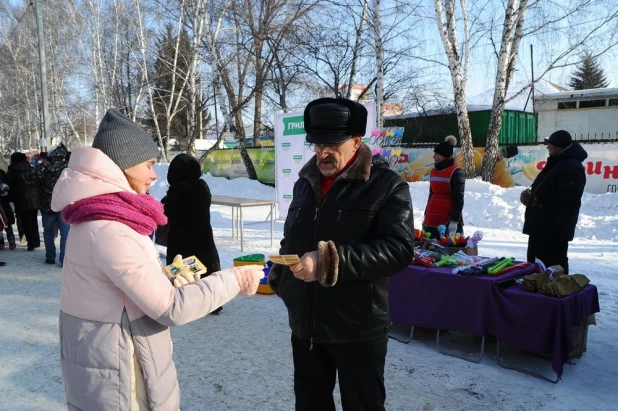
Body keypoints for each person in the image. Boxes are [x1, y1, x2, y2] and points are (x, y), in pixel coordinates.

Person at [52, 108, 264, 410]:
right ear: (123, 164)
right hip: (123, 376)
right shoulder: (111, 228)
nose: (154, 174)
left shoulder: (99, 215)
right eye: (149, 165)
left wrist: (161, 278)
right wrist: (235, 279)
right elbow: (170, 308)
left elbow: (118, 290)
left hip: (108, 363)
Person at [267, 97, 415, 411]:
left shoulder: (387, 185)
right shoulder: (304, 183)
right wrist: (281, 273)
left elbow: (399, 250)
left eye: (332, 145)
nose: (322, 153)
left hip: (357, 327)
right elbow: (292, 238)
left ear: (357, 142)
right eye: (318, 144)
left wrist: (328, 262)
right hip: (307, 326)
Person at [163, 154, 223, 312]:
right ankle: (213, 301)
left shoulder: (178, 189)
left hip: (181, 236)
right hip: (203, 235)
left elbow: (169, 211)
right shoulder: (202, 186)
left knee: (181, 268)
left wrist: (165, 201)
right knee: (205, 266)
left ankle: (181, 300)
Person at [522, 130, 587, 274]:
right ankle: (538, 292)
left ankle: (557, 294)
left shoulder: (571, 166)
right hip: (542, 226)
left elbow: (569, 204)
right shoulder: (558, 162)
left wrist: (558, 231)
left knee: (554, 266)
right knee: (538, 266)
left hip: (552, 230)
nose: (548, 148)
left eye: (550, 145)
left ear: (559, 147)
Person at [422, 135, 465, 239]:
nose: (434, 157)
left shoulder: (456, 172)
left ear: (444, 156)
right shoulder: (433, 172)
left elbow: (458, 199)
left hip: (448, 220)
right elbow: (431, 194)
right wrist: (426, 214)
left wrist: (454, 222)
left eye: (437, 154)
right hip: (431, 218)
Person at [35, 144, 70, 265]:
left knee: (48, 231)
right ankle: (63, 258)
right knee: (65, 232)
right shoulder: (68, 167)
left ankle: (50, 256)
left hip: (47, 204)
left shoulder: (42, 166)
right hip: (63, 203)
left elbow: (36, 180)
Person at [6, 152, 40, 250]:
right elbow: (37, 183)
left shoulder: (11, 172)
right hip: (34, 199)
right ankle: (36, 241)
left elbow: (10, 188)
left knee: (25, 222)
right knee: (34, 221)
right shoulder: (32, 169)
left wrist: (11, 198)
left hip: (20, 200)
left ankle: (30, 243)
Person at [0, 158, 16, 250]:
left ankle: (2, 242)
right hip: (4, 200)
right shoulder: (3, 172)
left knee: (4, 222)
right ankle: (11, 239)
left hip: (3, 200)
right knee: (6, 222)